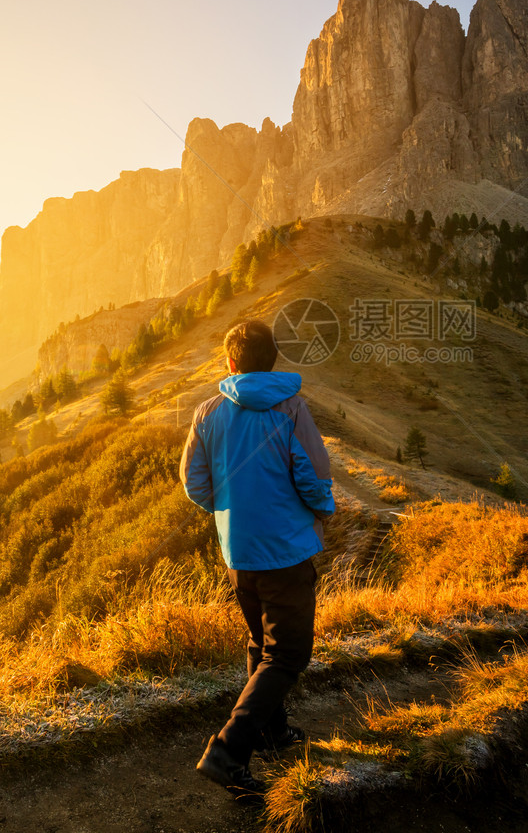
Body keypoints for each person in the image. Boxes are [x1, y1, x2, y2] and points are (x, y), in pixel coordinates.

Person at [179, 319, 335, 797]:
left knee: (260, 643)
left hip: (239, 553)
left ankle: (271, 729)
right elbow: (312, 474)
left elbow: (194, 483)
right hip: (286, 550)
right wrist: (322, 511)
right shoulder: (291, 408)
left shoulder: (208, 412)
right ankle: (228, 751)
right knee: (287, 654)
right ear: (272, 361)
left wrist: (229, 515)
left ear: (230, 363)